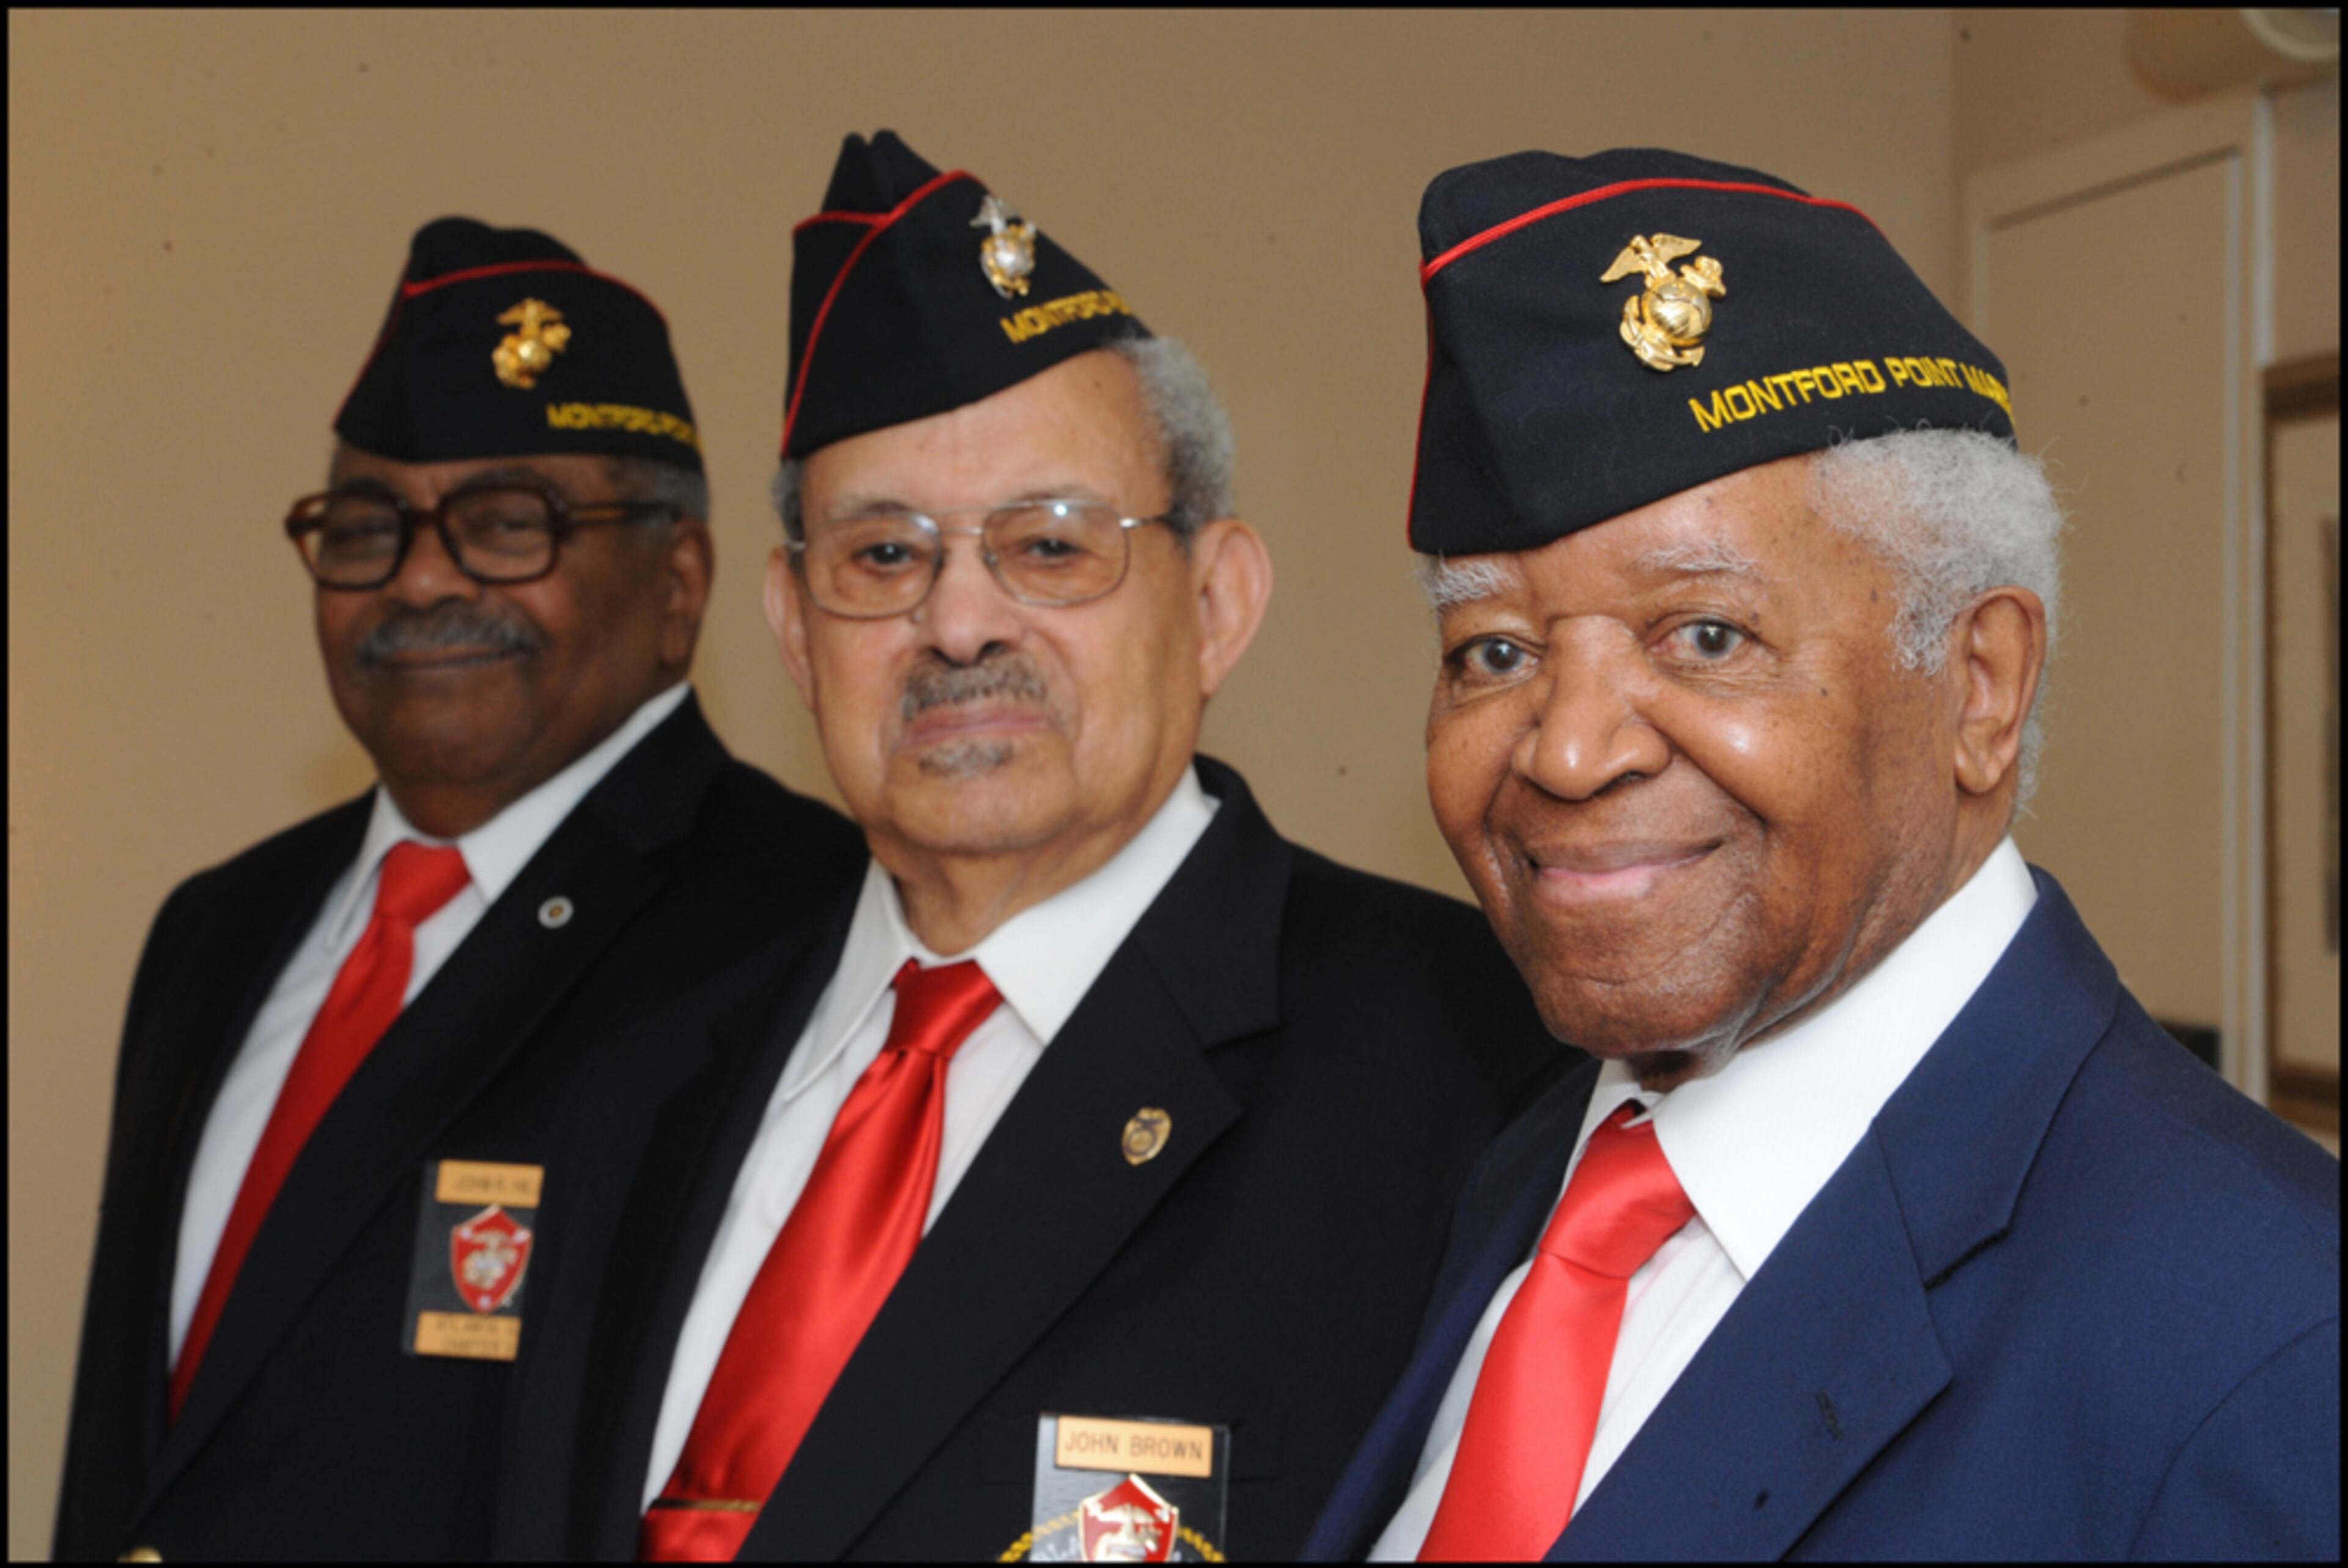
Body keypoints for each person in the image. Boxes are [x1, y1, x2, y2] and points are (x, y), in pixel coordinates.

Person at [493, 131, 1569, 1563]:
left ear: (1218, 603)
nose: (957, 622)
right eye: (883, 554)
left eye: (1052, 546)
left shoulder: (1478, 1067)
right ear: (796, 628)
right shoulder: (638, 1092)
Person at [1299, 147, 2343, 1562]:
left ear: (1978, 682)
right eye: (1496, 651)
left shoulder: (2272, 1337)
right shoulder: (1541, 1170)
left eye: (1707, 635)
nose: (1564, 749)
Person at [51, 218, 868, 1561]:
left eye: (505, 522)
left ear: (680, 584)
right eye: (368, 524)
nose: (420, 577)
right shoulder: (217, 925)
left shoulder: (808, 922)